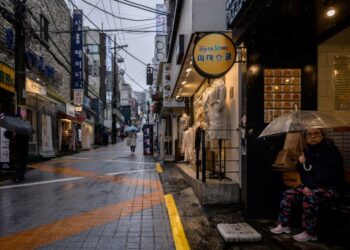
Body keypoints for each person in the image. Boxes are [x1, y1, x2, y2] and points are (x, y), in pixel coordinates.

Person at [270, 128, 344, 242]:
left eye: (316, 133)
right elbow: (304, 173)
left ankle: (310, 232)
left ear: (322, 135)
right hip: (311, 186)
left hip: (330, 188)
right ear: (305, 138)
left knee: (310, 197)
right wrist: (301, 163)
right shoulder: (307, 151)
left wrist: (308, 187)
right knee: (288, 194)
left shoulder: (331, 152)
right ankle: (284, 225)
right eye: (309, 134)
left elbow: (325, 175)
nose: (313, 136)